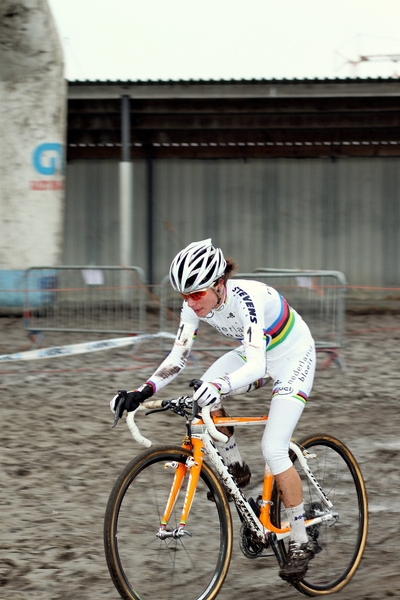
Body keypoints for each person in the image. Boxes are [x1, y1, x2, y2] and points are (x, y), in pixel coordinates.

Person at [111, 238, 317, 582]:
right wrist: (142, 390)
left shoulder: (247, 298)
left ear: (219, 285)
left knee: (273, 448)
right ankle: (236, 466)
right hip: (259, 357)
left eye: (197, 295)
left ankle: (300, 539)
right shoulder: (193, 305)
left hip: (292, 357)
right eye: (185, 296)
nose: (191, 303)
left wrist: (219, 386)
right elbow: (178, 357)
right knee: (203, 389)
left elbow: (254, 365)